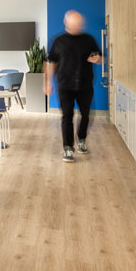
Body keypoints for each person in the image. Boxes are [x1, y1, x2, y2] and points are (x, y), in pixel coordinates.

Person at [45, 10, 103, 163]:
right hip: (65, 85)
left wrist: (98, 59)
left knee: (86, 115)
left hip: (85, 85)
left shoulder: (89, 39)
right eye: (75, 23)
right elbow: (51, 62)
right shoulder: (59, 41)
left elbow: (99, 58)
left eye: (80, 23)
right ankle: (68, 148)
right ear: (67, 23)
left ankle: (82, 140)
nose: (78, 26)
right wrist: (47, 82)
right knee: (67, 117)